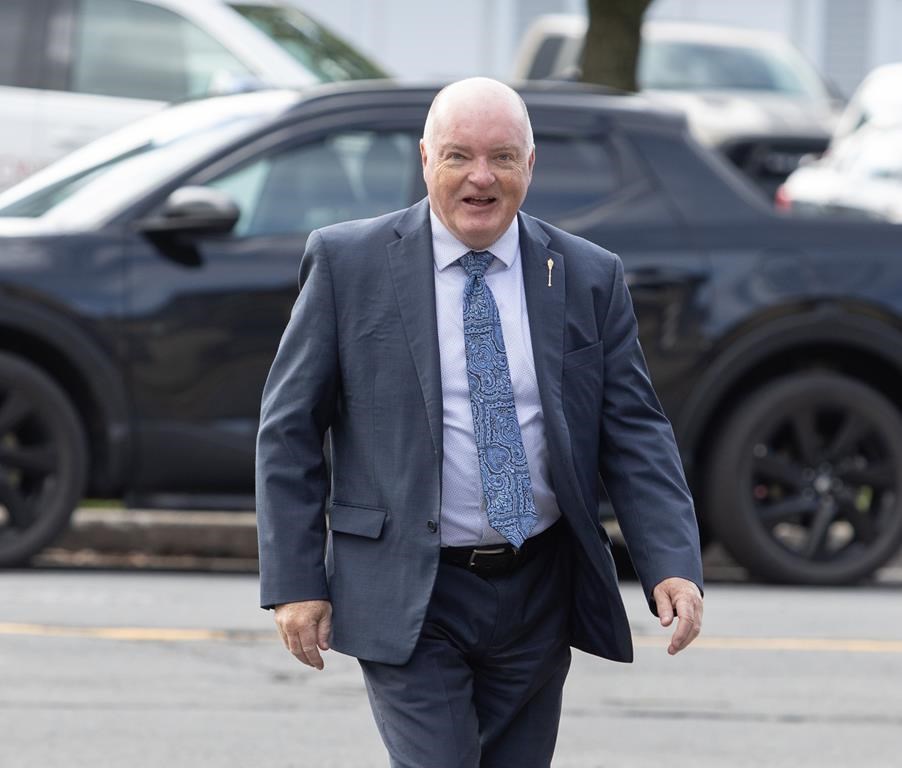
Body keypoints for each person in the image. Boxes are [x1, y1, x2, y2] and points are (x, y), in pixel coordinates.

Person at [256, 76, 704, 767]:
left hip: (537, 591)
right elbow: (289, 430)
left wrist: (671, 563)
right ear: (426, 159)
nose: (480, 178)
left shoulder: (586, 274)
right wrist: (296, 582)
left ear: (531, 165)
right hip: (410, 588)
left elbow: (635, 431)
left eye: (502, 157)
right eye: (459, 156)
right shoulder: (350, 264)